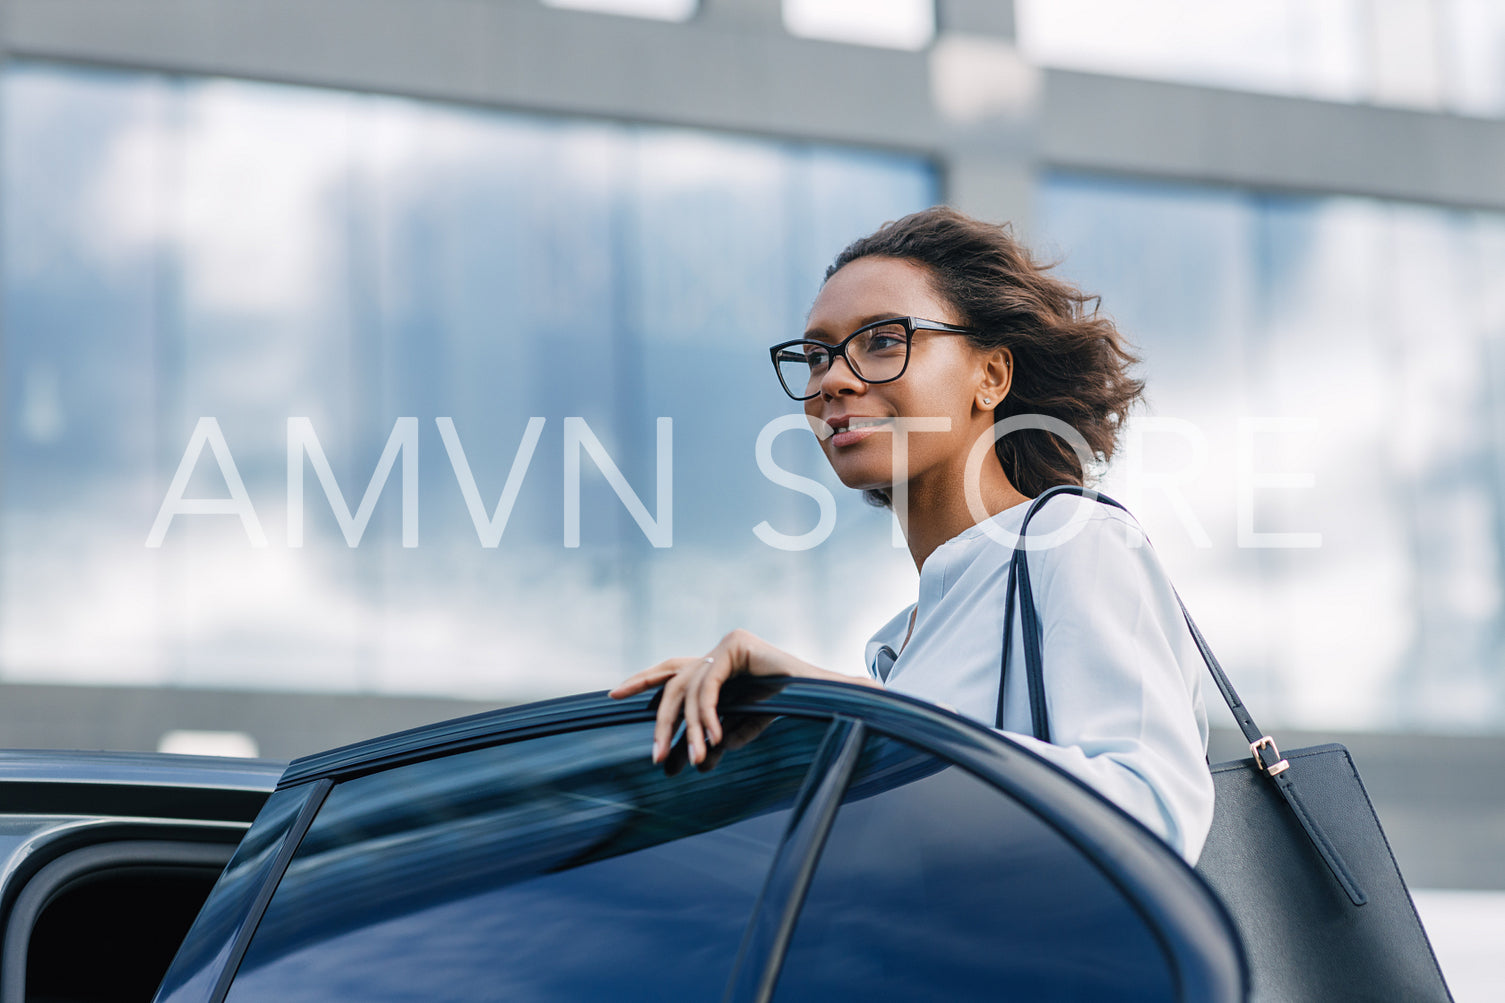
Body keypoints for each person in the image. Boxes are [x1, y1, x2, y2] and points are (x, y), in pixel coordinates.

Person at [610, 206, 1215, 864]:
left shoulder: (1073, 543)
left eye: (882, 340)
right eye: (816, 355)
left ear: (990, 376)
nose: (831, 380)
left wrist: (850, 710)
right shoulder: (903, 644)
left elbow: (1148, 815)